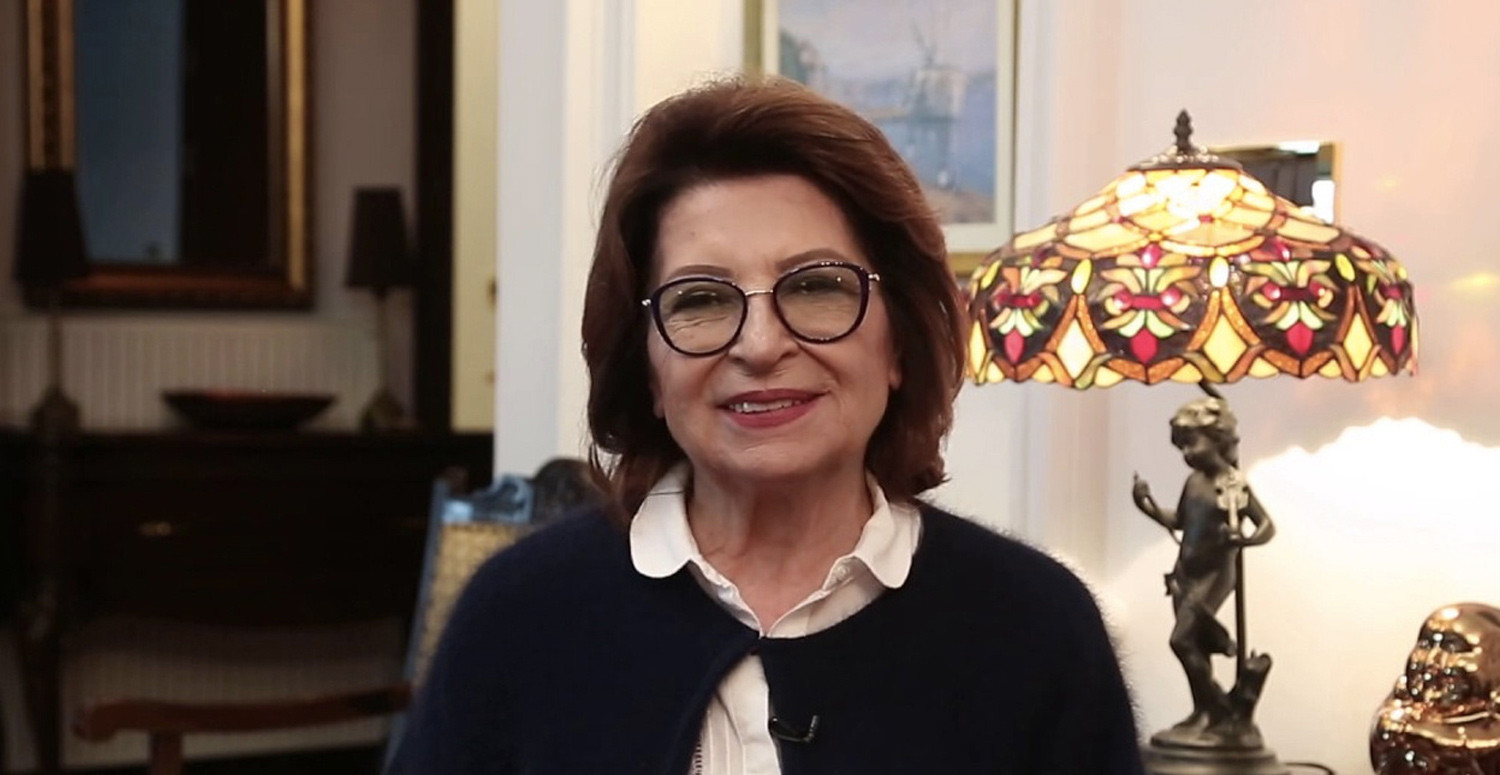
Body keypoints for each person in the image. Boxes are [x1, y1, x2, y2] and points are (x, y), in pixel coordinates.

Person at [390, 77, 1143, 774]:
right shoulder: (518, 615)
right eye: (700, 299)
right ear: (647, 370)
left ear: (899, 345)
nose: (759, 345)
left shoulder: (1035, 626)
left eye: (816, 287)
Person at [1131, 395, 1275, 749]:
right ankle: (1204, 713)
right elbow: (1180, 521)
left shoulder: (1233, 485)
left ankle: (1218, 708)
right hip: (1185, 574)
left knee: (1181, 640)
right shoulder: (1194, 482)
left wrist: (1244, 540)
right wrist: (1145, 504)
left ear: (1218, 437)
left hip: (1214, 575)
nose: (1187, 453)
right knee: (1195, 645)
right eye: (1182, 446)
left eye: (1192, 442)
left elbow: (1266, 525)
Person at [1370, 603, 1500, 775]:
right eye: (1426, 644)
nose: (1433, 659)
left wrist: (1420, 731)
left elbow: (1484, 743)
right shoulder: (1402, 703)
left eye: (1454, 648)